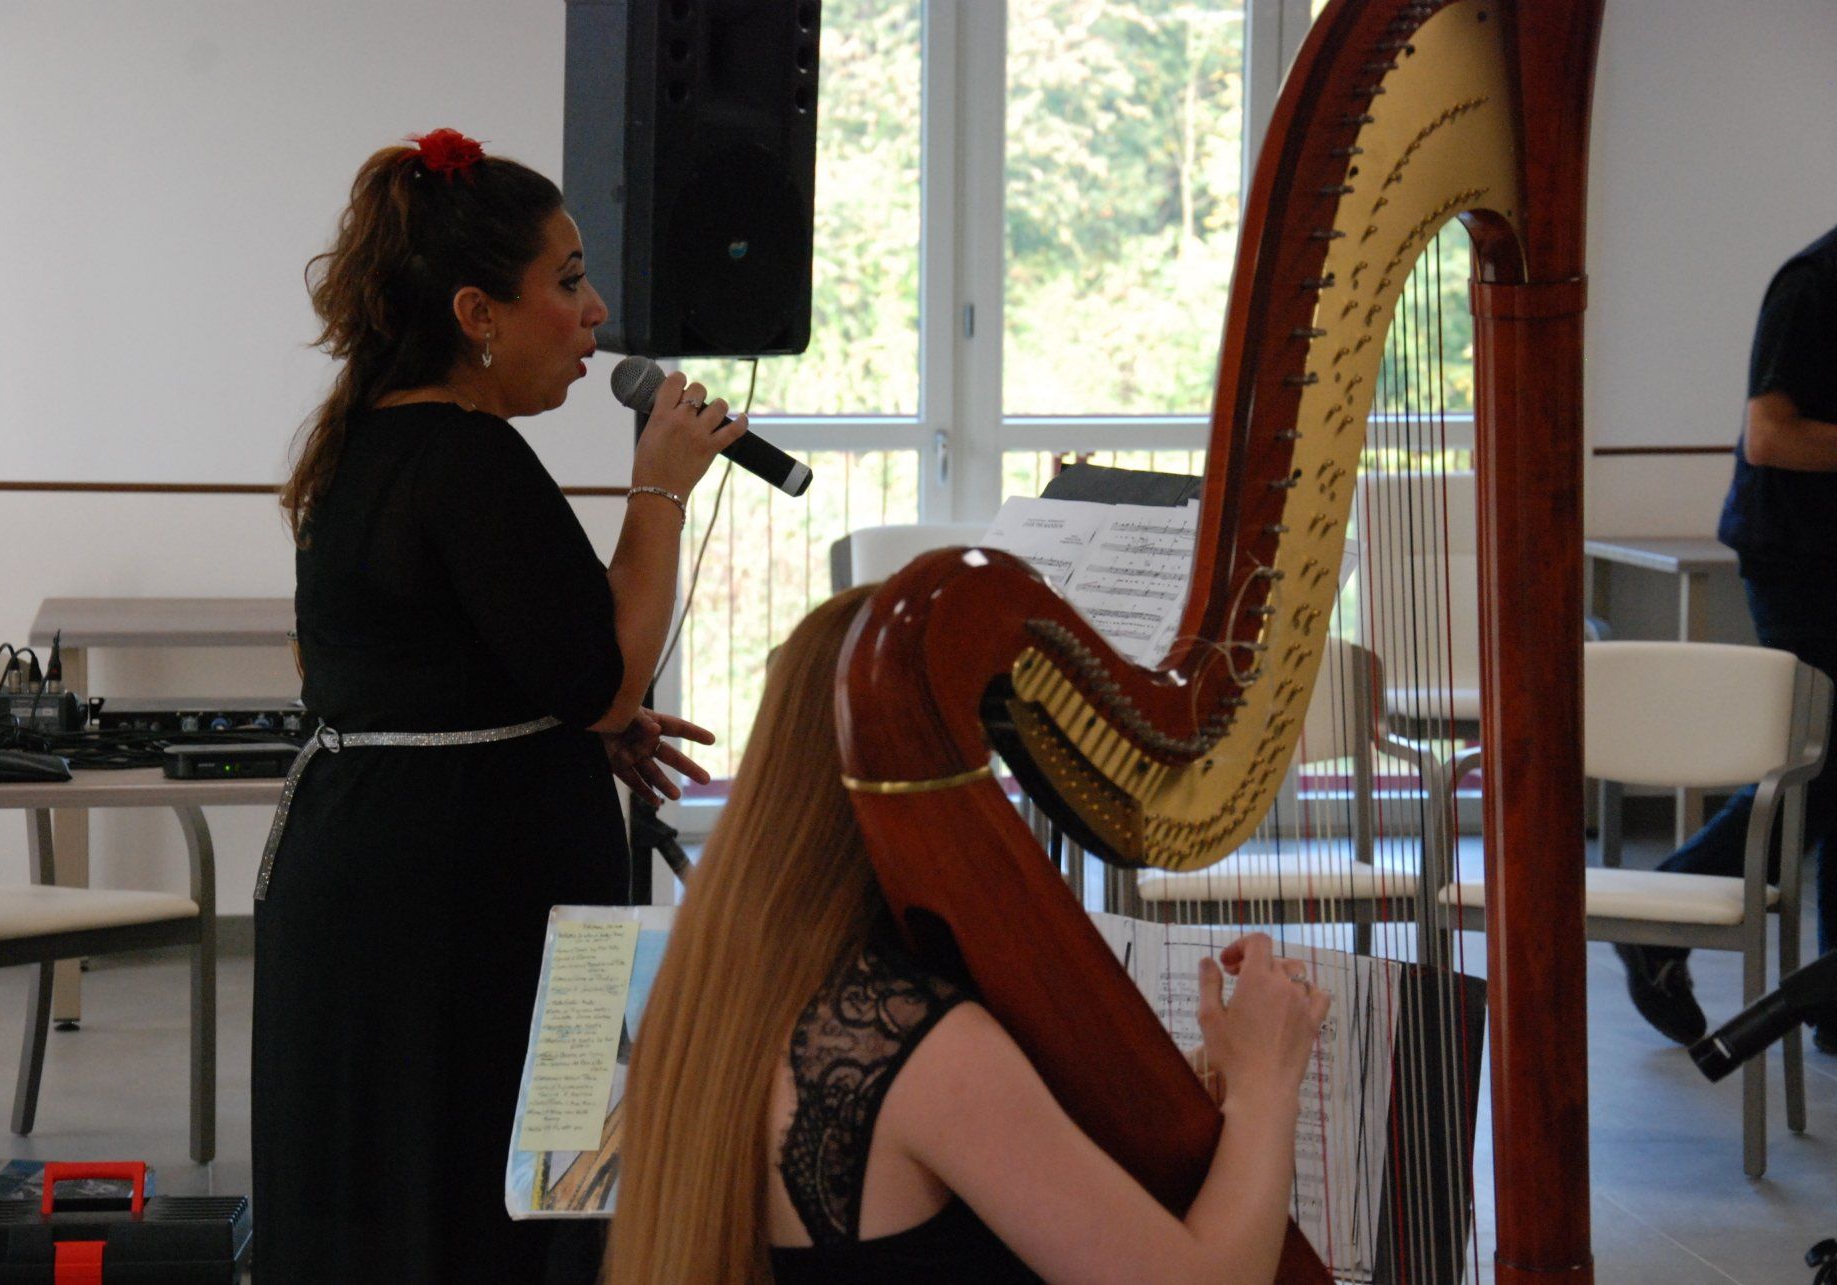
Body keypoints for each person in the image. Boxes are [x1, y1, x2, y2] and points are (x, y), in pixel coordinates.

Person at [253, 128, 745, 1283]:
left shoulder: (370, 440)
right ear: (478, 312)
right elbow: (606, 674)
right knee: (508, 1193)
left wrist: (570, 727)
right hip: (462, 893)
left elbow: (455, 662)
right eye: (567, 282)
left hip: (393, 868)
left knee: (403, 1187)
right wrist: (662, 485)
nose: (594, 312)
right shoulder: (470, 461)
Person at [602, 586, 1332, 1284]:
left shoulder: (724, 992)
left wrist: (1217, 1068)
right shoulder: (925, 1046)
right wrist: (1268, 1081)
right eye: (980, 762)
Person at [1617, 223, 1837, 1057]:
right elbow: (1771, 435)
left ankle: (1830, 1003)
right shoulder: (1813, 284)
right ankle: (1661, 907)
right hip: (1797, 560)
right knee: (1822, 763)